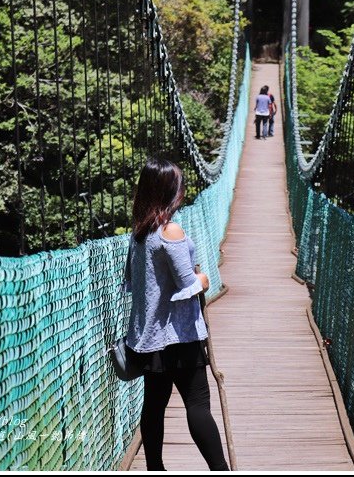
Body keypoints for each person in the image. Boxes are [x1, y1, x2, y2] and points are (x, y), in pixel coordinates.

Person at [124, 157, 230, 472]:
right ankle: (220, 469)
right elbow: (188, 285)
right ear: (172, 191)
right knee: (198, 405)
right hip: (180, 338)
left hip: (150, 339)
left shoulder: (139, 233)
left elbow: (131, 281)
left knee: (154, 406)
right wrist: (204, 279)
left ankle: (155, 468)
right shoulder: (170, 230)